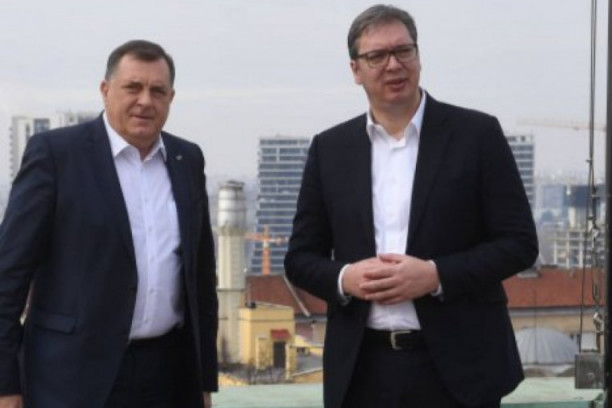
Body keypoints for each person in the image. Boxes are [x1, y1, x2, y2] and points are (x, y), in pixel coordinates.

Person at [285, 5, 538, 408]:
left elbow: (519, 244)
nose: (393, 64)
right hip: (362, 371)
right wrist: (346, 278)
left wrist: (436, 275)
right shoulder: (329, 149)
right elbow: (300, 259)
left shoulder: (477, 135)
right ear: (355, 70)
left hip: (461, 370)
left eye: (404, 50)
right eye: (377, 56)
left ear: (419, 56)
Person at [0, 40, 218, 408]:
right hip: (71, 379)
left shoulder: (187, 159)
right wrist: (5, 386)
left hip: (168, 376)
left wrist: (204, 381)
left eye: (157, 91)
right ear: (105, 90)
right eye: (133, 87)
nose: (145, 101)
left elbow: (200, 281)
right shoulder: (56, 155)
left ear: (171, 97)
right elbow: (8, 276)